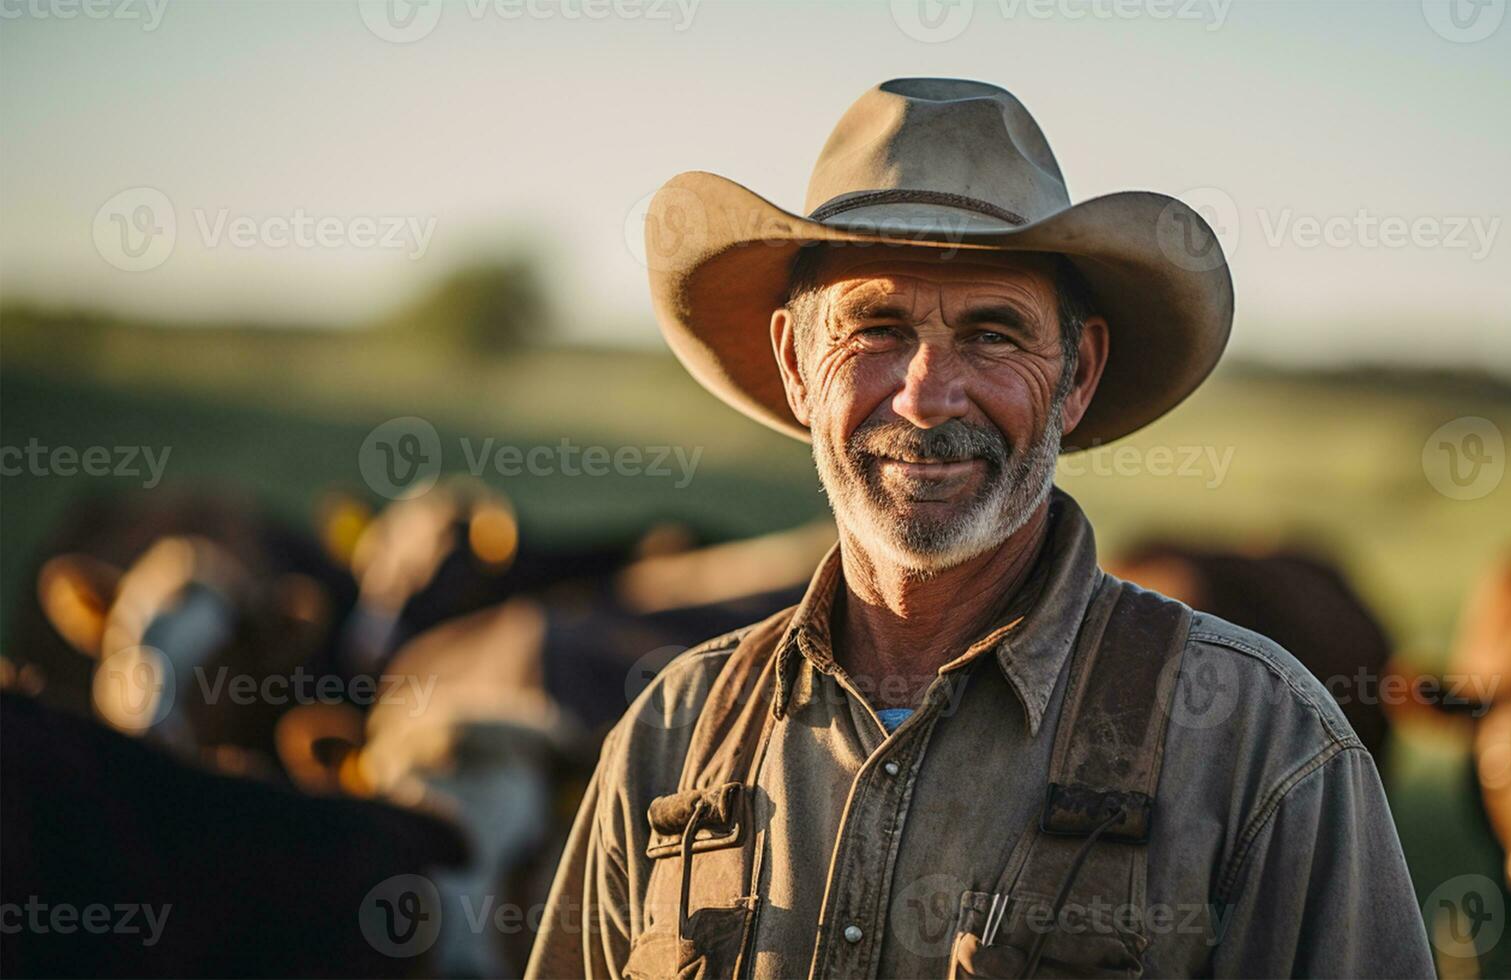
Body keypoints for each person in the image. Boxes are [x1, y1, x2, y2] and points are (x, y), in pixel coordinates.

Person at [527, 77, 1434, 979]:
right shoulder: (674, 731)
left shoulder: (1257, 742)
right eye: (874, 327)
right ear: (796, 365)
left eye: (993, 335)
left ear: (1076, 376)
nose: (925, 397)